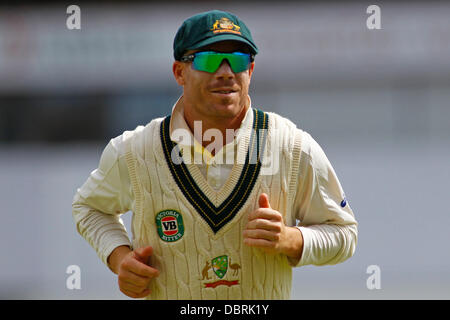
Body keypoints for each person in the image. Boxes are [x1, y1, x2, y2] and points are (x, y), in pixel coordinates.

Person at [72, 10, 358, 300]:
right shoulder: (135, 151)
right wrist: (120, 259)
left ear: (251, 71)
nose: (225, 72)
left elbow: (344, 233)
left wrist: (292, 239)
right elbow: (90, 207)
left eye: (238, 59)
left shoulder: (292, 146)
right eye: (208, 59)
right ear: (179, 72)